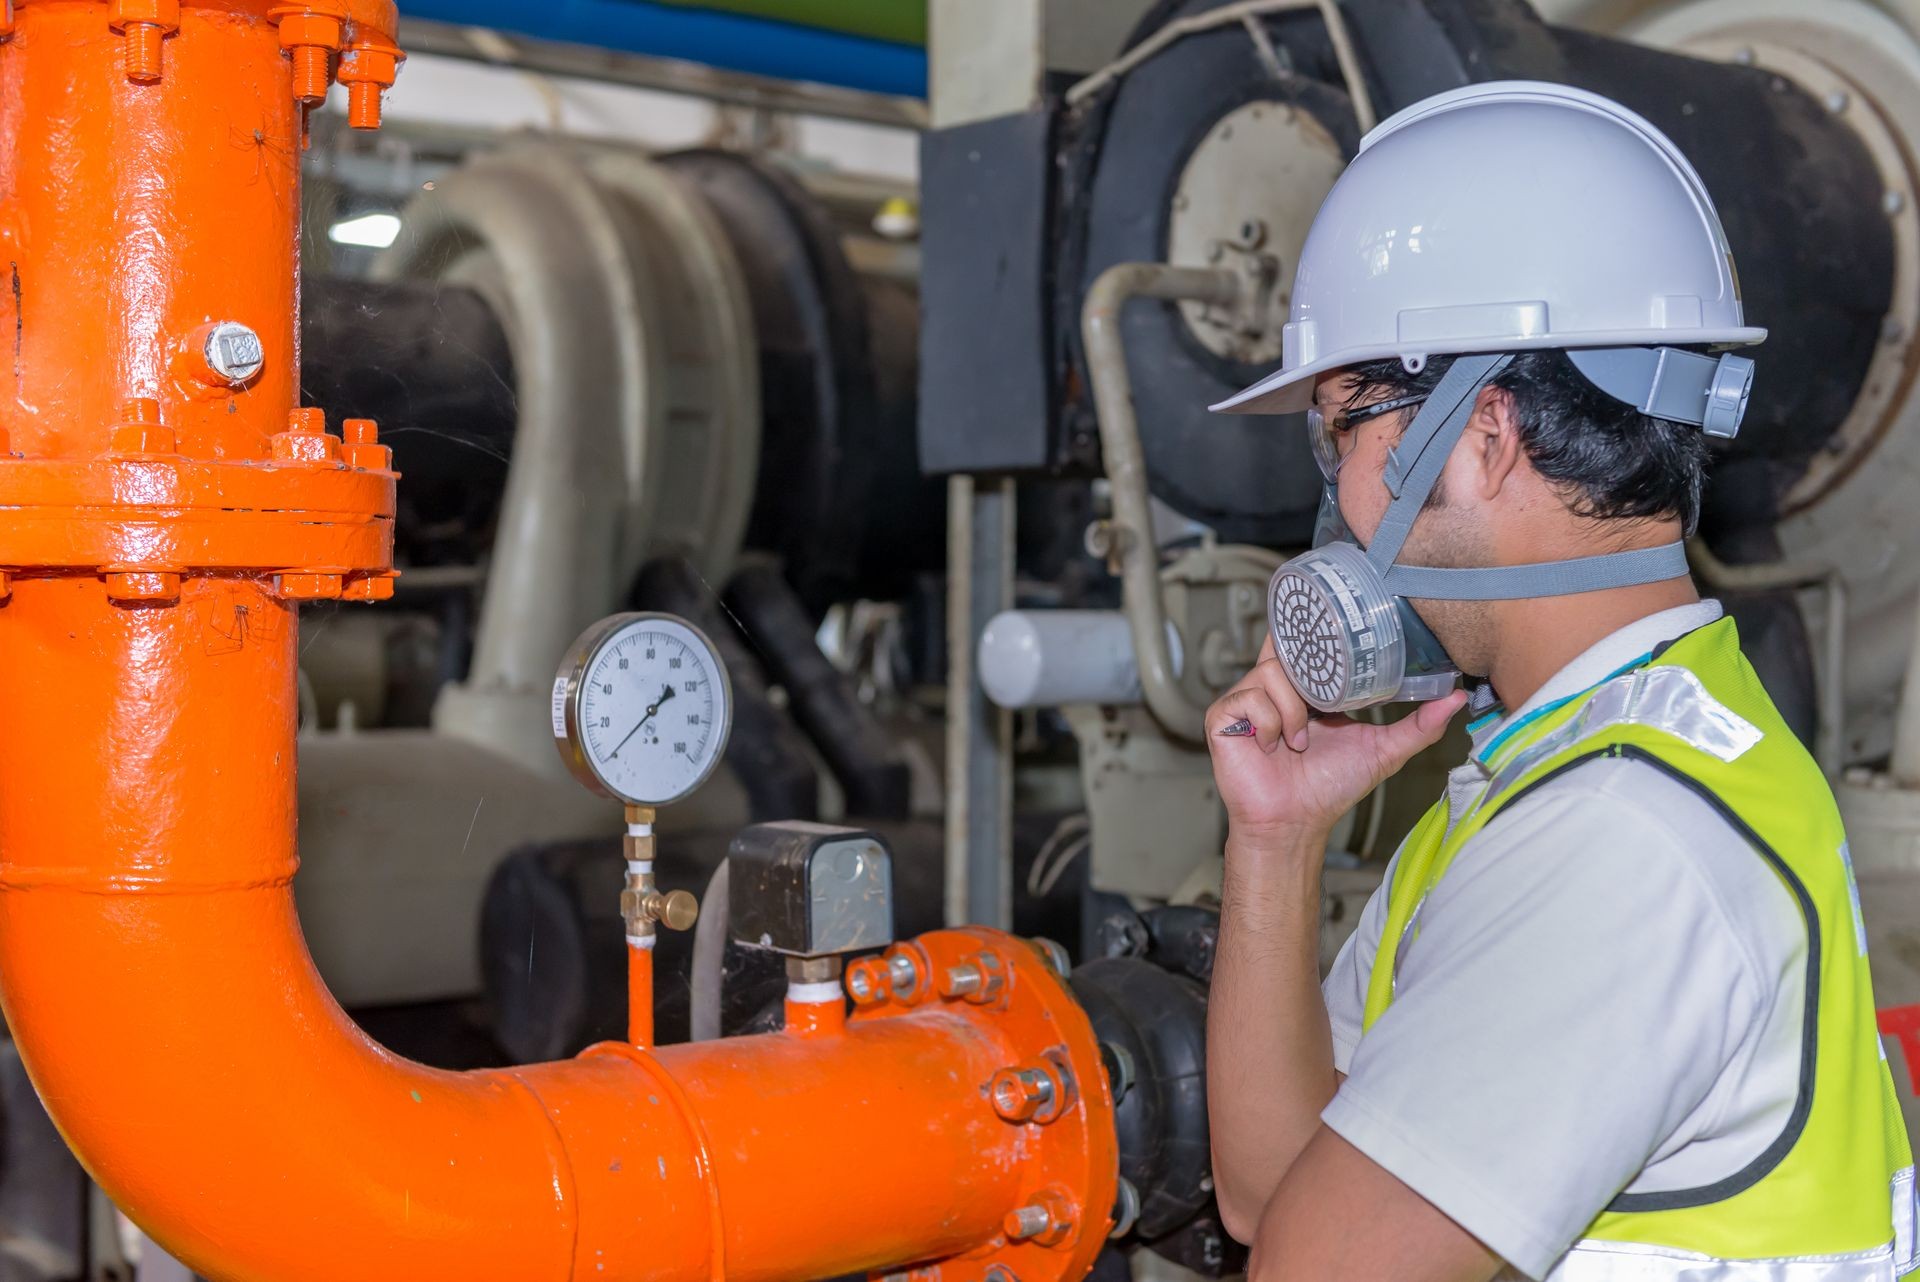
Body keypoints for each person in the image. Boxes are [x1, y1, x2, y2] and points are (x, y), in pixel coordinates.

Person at [1202, 81, 1916, 1281]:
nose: (1336, 501)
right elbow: (1266, 1197)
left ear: (1482, 437)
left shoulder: (1622, 833)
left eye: (1344, 430)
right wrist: (1274, 841)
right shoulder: (1558, 774)